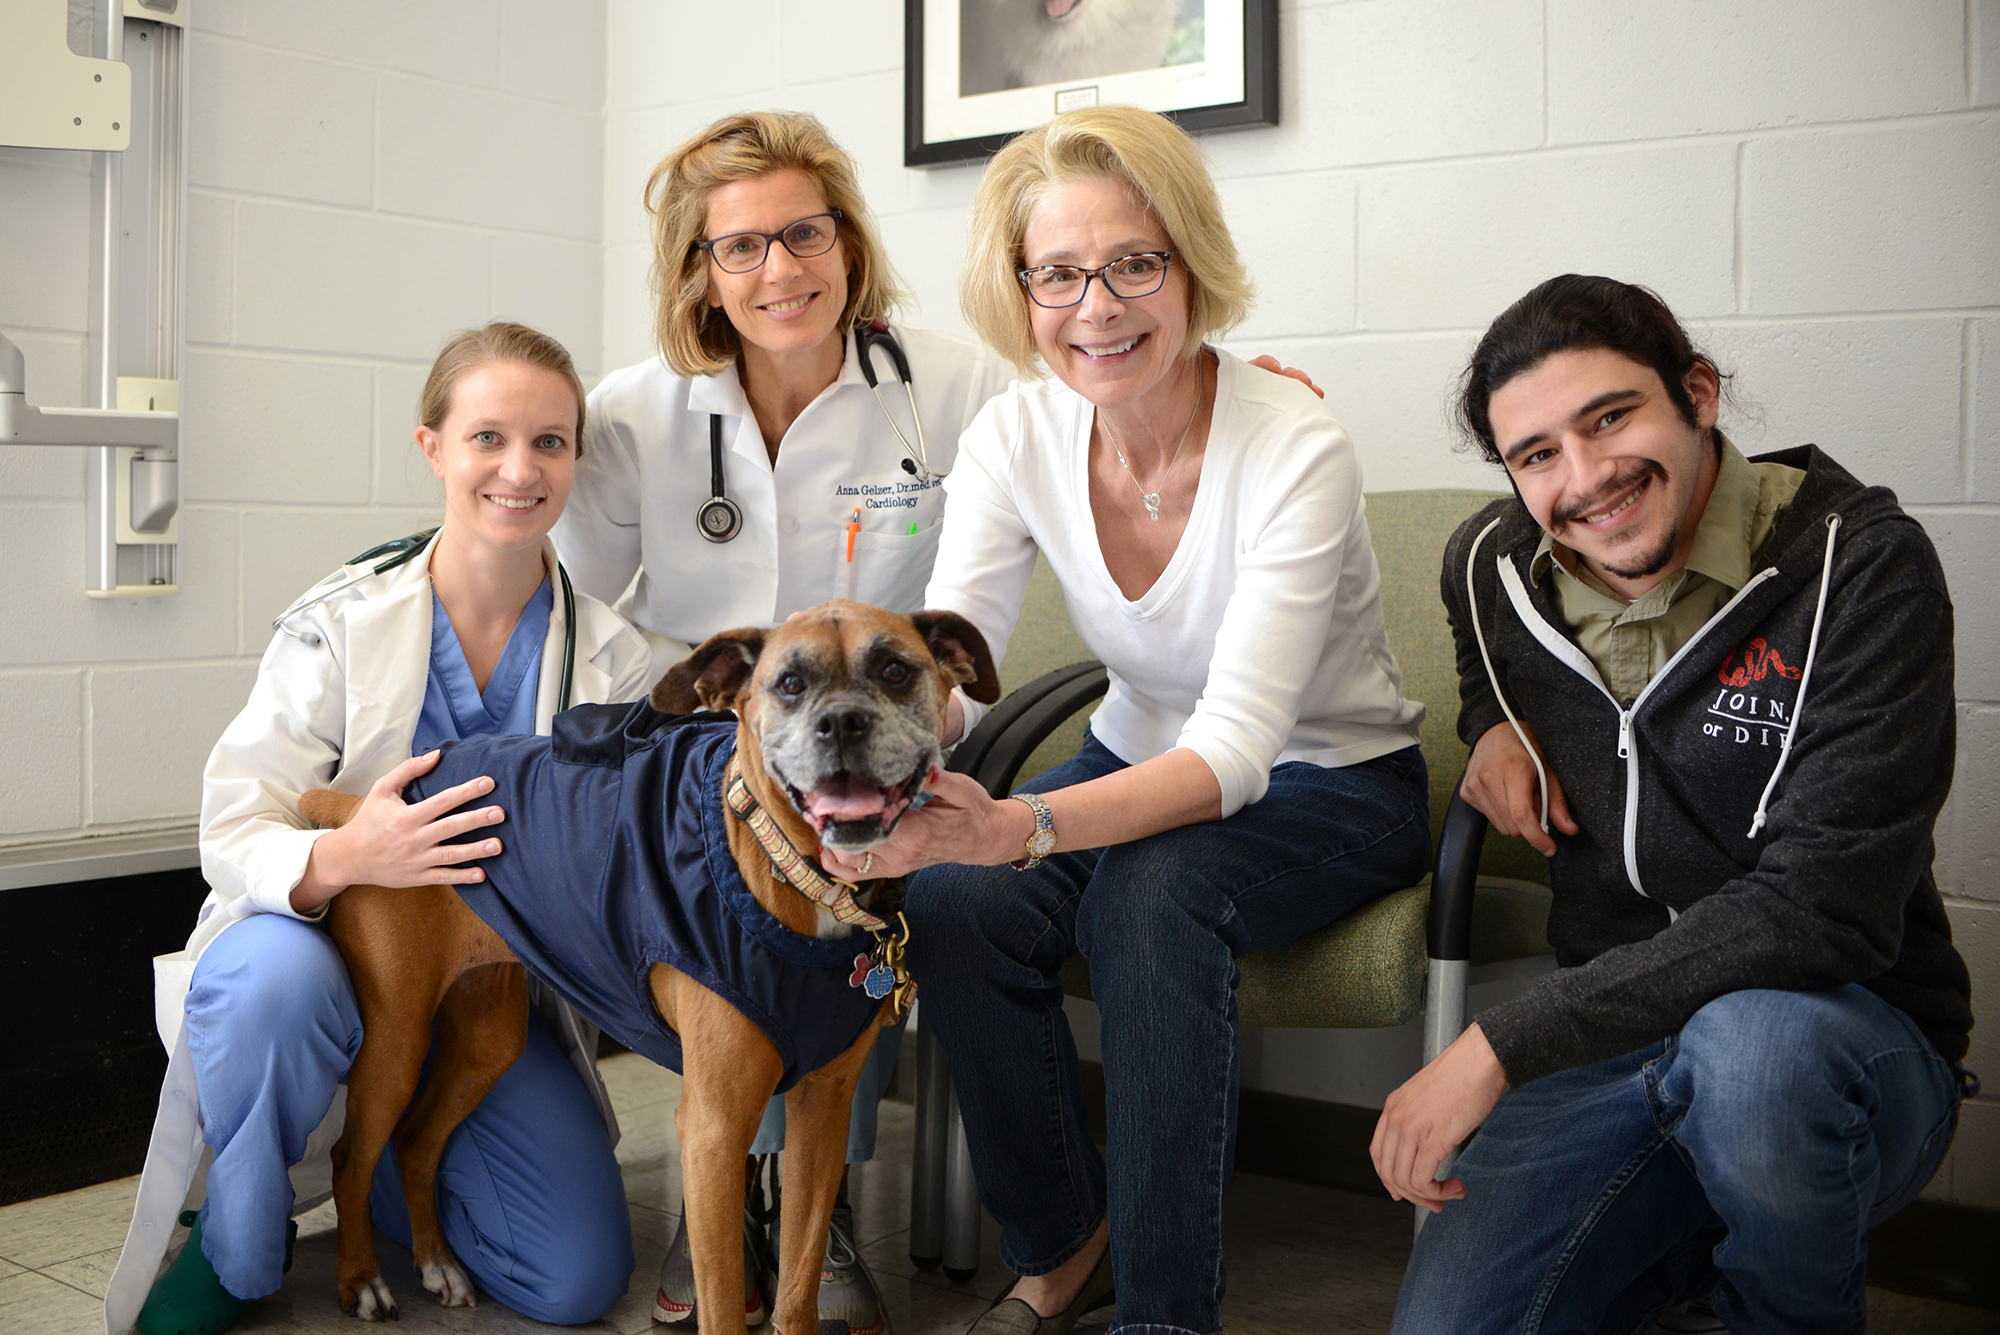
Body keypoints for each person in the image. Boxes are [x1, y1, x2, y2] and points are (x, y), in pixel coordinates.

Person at [551, 108, 1327, 1334]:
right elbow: (570, 596)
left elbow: (1092, 406)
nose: (779, 268)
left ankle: (819, 1204)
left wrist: (1233, 392)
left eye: (805, 232)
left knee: (870, 868)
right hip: (696, 747)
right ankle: (745, 1197)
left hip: (886, 743)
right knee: (768, 886)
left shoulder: (964, 389)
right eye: (739, 247)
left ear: (850, 242)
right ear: (698, 272)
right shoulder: (633, 413)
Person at [820, 105, 1430, 1335]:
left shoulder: (1294, 443)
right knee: (953, 901)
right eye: (1056, 272)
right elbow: (957, 667)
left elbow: (1236, 751)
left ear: (1189, 264)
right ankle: (1065, 1244)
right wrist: (872, 768)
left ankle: (1163, 1314)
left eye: (1132, 263)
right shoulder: (1013, 431)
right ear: (1020, 290)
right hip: (1135, 750)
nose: (1094, 305)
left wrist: (1017, 823)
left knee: (1150, 899)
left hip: (1330, 780)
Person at [1376, 275, 1976, 1335]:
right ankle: (1676, 1260)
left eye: (1610, 418)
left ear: (1695, 393)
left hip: (1831, 1044)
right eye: (1536, 455)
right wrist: (1489, 728)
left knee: (1751, 1053)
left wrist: (1496, 1045)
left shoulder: (1861, 568)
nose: (1586, 478)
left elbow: (1817, 909)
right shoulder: (1488, 562)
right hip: (1612, 1049)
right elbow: (1487, 656)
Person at [107, 324, 654, 1335]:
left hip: (489, 979)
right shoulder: (339, 619)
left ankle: (407, 1169)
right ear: (432, 448)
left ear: (577, 459)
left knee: (574, 1280)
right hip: (313, 942)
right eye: (487, 437)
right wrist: (344, 854)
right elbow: (236, 815)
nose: (519, 469)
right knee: (271, 985)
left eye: (551, 442)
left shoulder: (615, 661)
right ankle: (234, 1249)